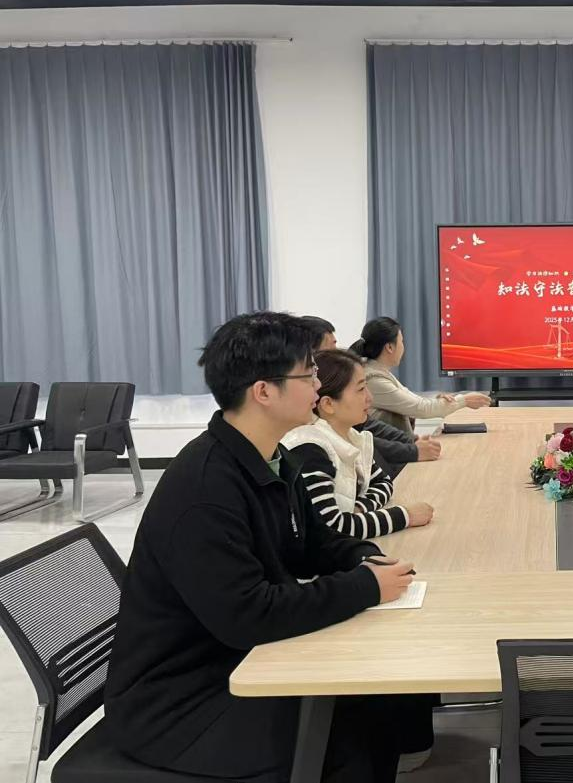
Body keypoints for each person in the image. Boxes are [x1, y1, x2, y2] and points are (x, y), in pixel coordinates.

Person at [104, 312, 421, 782]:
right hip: (180, 703)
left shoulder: (271, 457)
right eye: (308, 375)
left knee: (381, 700)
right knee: (348, 729)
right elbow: (249, 614)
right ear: (264, 392)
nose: (318, 385)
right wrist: (364, 587)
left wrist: (361, 557)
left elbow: (312, 543)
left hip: (239, 663)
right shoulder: (205, 489)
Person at [283, 348, 434, 538]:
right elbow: (332, 528)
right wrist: (405, 516)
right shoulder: (308, 448)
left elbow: (383, 482)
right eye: (361, 389)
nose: (369, 398)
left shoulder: (352, 437)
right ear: (328, 404)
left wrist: (360, 509)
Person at [351, 316, 492, 435]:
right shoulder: (372, 379)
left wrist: (436, 399)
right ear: (389, 347)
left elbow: (411, 399)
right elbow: (421, 408)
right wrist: (464, 400)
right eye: (401, 342)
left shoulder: (377, 371)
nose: (403, 347)